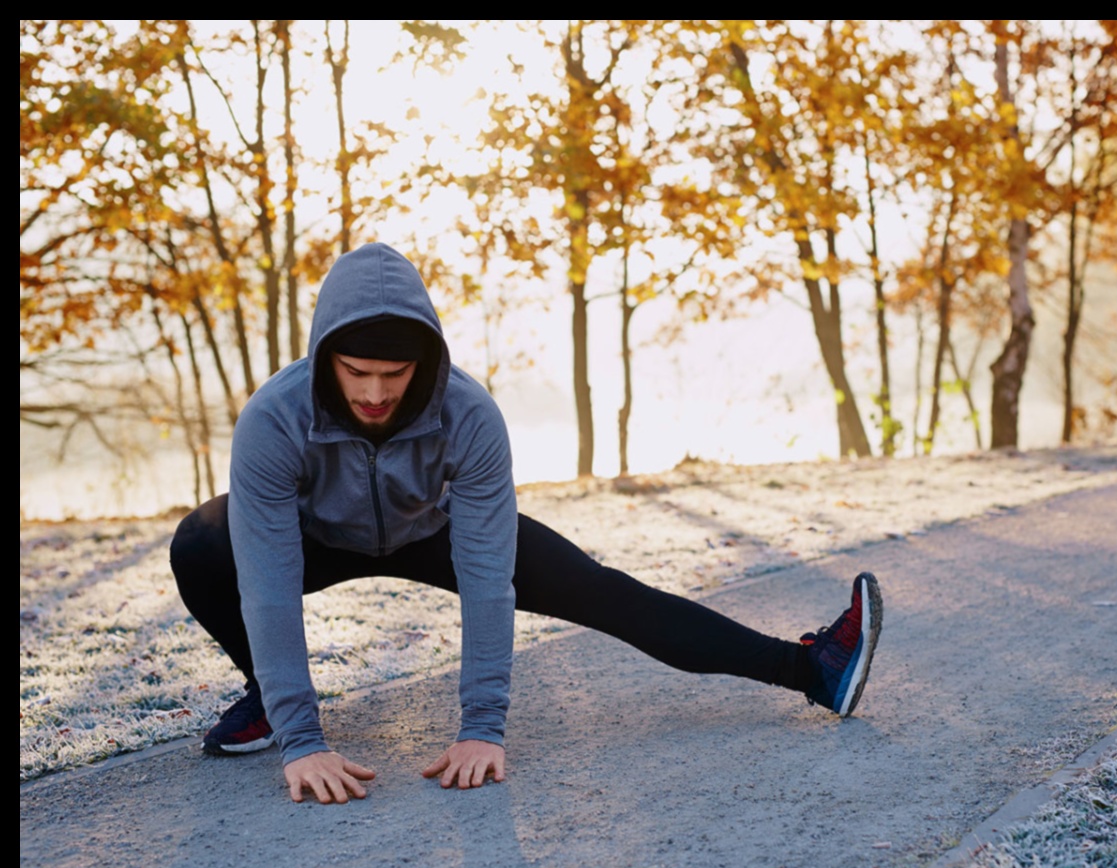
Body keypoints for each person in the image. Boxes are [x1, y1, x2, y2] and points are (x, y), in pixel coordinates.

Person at [170, 242, 882, 805]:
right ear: (325, 356)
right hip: (313, 534)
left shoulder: (469, 413)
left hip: (431, 530)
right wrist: (304, 739)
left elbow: (486, 579)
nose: (377, 392)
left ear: (427, 360)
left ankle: (812, 669)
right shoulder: (274, 418)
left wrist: (482, 727)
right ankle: (270, 700)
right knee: (202, 544)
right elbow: (266, 583)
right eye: (358, 372)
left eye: (397, 373)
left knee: (603, 590)